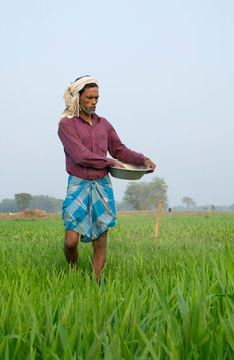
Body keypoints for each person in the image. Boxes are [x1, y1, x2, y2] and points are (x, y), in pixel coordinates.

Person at [57, 75, 156, 281]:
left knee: (100, 240)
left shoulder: (104, 124)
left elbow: (119, 149)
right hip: (79, 185)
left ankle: (97, 281)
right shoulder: (66, 125)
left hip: (102, 185)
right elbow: (80, 156)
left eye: (96, 98)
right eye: (89, 98)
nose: (93, 102)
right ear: (77, 97)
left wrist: (142, 159)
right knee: (70, 241)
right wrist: (110, 162)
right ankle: (74, 273)